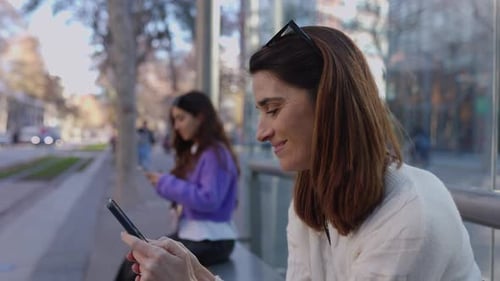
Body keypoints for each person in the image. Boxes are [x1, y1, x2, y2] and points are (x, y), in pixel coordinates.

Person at [120, 20, 481, 280]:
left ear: (330, 102)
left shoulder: (409, 218)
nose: (261, 132)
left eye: (273, 109)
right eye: (259, 112)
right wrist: (197, 275)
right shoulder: (310, 198)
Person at [116, 90, 239, 281]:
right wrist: (165, 183)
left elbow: (209, 199)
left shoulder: (215, 153)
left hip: (213, 240)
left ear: (200, 117)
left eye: (181, 118)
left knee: (139, 268)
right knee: (133, 263)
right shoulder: (198, 151)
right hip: (197, 235)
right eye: (175, 119)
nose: (176, 126)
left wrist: (166, 183)